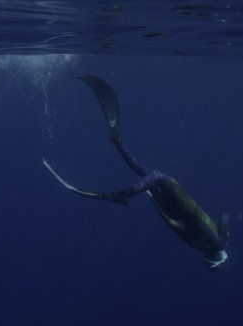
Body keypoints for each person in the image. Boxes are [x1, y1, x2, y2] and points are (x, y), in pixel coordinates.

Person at [43, 74, 230, 271]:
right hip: (172, 208)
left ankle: (125, 193)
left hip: (185, 203)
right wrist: (154, 199)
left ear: (219, 257)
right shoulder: (195, 246)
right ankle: (118, 146)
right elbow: (171, 224)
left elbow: (224, 216)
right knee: (145, 174)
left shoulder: (221, 244)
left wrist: (226, 230)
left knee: (155, 174)